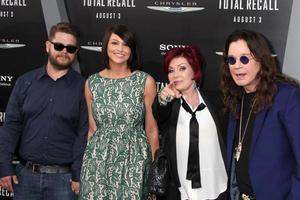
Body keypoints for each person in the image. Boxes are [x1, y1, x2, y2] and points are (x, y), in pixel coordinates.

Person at [0, 22, 88, 200]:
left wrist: (78, 175)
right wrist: (4, 167)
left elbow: (83, 134)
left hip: (65, 181)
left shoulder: (83, 87)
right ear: (48, 46)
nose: (64, 51)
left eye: (70, 48)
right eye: (59, 46)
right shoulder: (25, 82)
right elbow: (10, 127)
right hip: (25, 178)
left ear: (76, 53)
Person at [79, 24, 159, 200]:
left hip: (135, 163)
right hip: (97, 163)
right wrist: (87, 167)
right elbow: (92, 130)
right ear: (106, 46)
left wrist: (154, 172)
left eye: (126, 44)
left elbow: (152, 131)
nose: (120, 49)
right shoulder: (91, 83)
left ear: (132, 49)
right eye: (115, 43)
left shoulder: (145, 81)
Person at [220, 29, 300, 200]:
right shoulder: (235, 99)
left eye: (244, 58)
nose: (237, 65)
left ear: (261, 60)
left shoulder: (287, 96)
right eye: (231, 60)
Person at [152, 46, 228, 200]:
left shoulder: (216, 101)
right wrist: (162, 99)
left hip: (218, 186)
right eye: (171, 70)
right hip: (182, 191)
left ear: (195, 70)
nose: (175, 75)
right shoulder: (170, 106)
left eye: (182, 68)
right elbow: (160, 113)